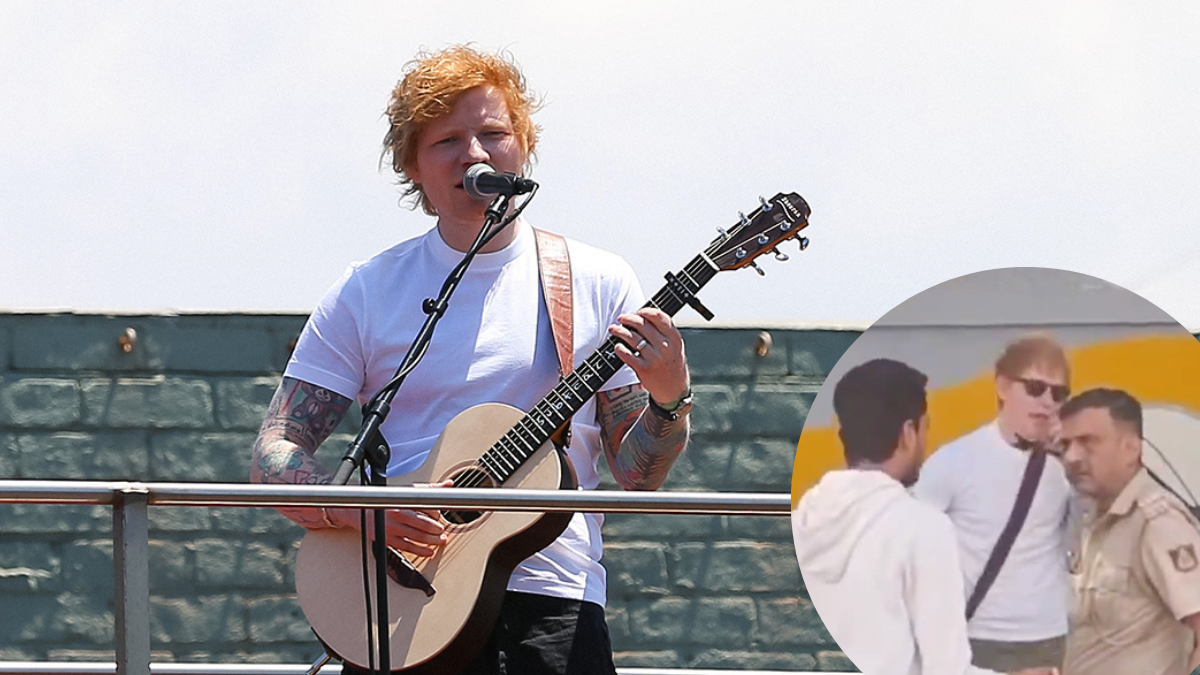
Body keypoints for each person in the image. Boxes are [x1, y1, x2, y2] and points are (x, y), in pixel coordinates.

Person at [249, 45, 692, 675]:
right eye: (448, 141)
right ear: (414, 167)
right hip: (398, 611)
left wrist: (669, 398)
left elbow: (637, 474)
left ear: (523, 147)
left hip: (554, 609)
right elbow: (275, 455)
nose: (476, 154)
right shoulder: (368, 289)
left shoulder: (594, 280)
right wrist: (365, 514)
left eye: (494, 133)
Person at [792, 358, 1057, 675]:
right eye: (926, 426)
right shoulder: (923, 529)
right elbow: (947, 669)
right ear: (908, 432)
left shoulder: (802, 518)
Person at [911, 335, 1077, 672]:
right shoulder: (955, 460)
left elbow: (1086, 543)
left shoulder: (1066, 466)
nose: (1047, 402)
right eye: (1034, 388)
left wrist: (1075, 464)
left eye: (1058, 394)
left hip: (1045, 636)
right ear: (1002, 386)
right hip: (974, 635)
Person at [1058, 388, 1200, 675]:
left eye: (1088, 442)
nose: (1072, 456)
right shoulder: (1090, 519)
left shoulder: (1157, 523)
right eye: (1065, 445)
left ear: (1131, 449)